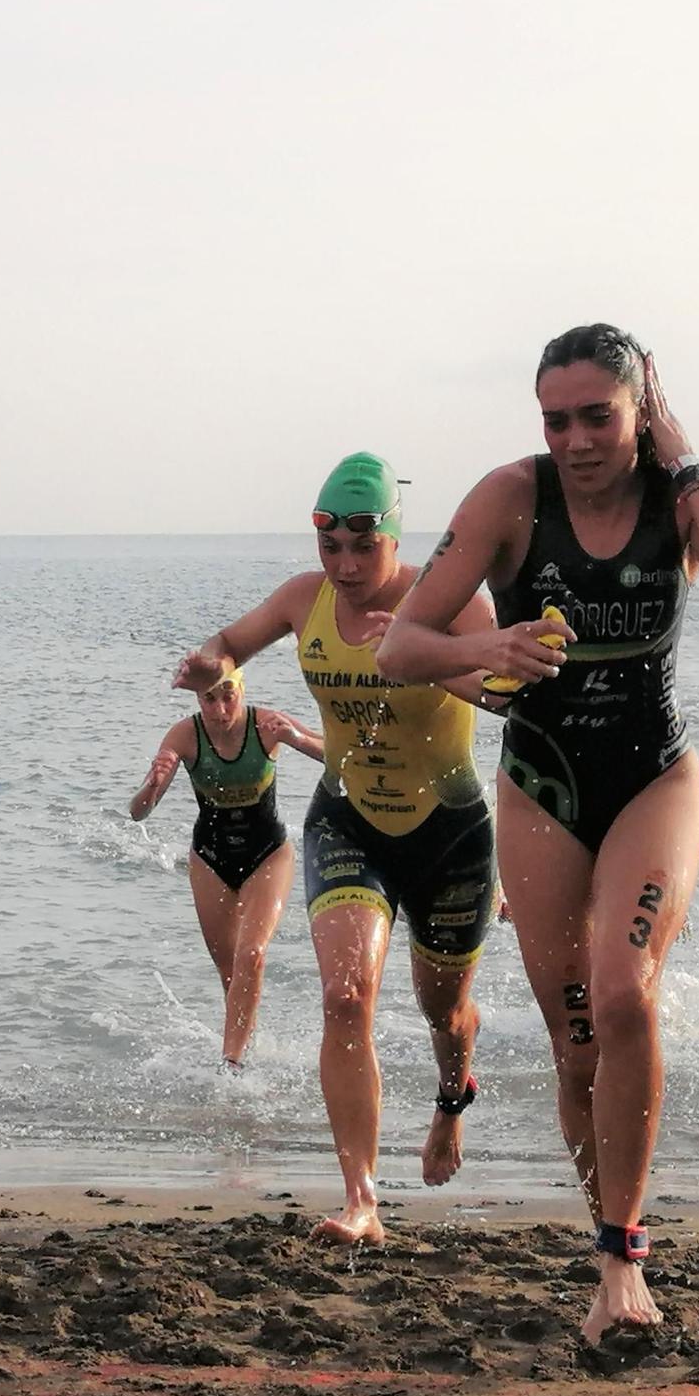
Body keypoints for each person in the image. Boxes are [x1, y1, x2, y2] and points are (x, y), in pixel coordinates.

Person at [377, 325, 699, 1336]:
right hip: (541, 787)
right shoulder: (509, 499)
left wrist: (686, 466)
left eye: (596, 415)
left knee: (624, 996)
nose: (574, 440)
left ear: (640, 408)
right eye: (554, 420)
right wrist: (488, 642)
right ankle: (605, 1233)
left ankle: (622, 1262)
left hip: (653, 776)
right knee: (573, 1047)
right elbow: (399, 646)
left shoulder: (685, 495)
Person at [172, 452, 500, 1245]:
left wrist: (426, 651)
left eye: (364, 548)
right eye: (331, 549)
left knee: (443, 1010)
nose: (347, 567)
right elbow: (230, 641)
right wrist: (209, 664)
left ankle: (452, 1098)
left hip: (449, 829)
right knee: (345, 995)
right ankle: (362, 1199)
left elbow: (503, 693)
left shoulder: (450, 598)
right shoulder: (302, 599)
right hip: (346, 820)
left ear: (393, 537)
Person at [128, 669, 324, 1068]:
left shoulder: (266, 724)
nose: (220, 710)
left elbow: (340, 756)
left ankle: (230, 1064)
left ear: (242, 689)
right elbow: (138, 814)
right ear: (198, 701)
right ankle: (243, 1050)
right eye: (208, 700)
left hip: (268, 853)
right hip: (210, 859)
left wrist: (295, 738)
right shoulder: (185, 735)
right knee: (231, 972)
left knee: (251, 954)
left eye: (228, 696)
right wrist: (152, 783)